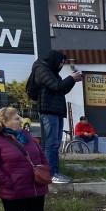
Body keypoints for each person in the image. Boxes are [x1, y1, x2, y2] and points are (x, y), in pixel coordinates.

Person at [29, 49, 82, 182]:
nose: (61, 65)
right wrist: (71, 78)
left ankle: (55, 172)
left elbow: (62, 90)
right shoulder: (42, 68)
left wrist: (73, 80)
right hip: (48, 111)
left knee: (55, 143)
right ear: (55, 60)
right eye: (61, 62)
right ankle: (51, 174)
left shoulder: (52, 72)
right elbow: (57, 86)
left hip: (56, 111)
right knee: (51, 143)